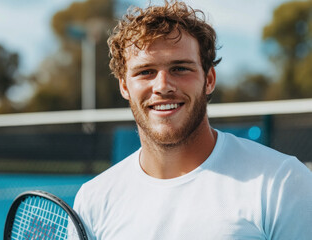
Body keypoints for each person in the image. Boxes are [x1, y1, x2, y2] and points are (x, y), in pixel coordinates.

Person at [73, 1, 312, 239]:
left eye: (180, 68)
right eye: (145, 71)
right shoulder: (93, 200)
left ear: (209, 80)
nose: (163, 86)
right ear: (125, 86)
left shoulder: (281, 181)